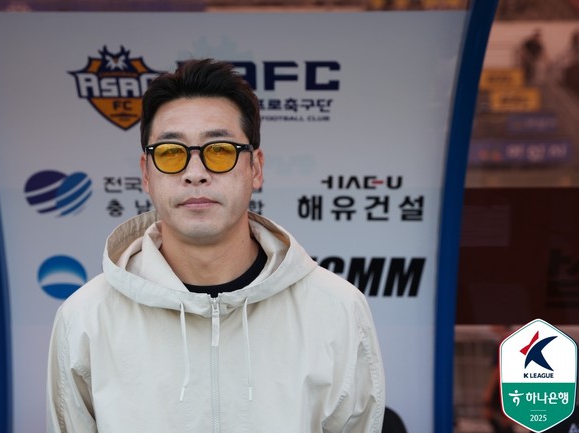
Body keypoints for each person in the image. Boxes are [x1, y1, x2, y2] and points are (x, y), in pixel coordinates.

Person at [46, 58, 385, 433]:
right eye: (171, 152)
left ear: (255, 168)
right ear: (146, 173)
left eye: (220, 150)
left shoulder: (335, 309)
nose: (195, 173)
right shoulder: (86, 318)